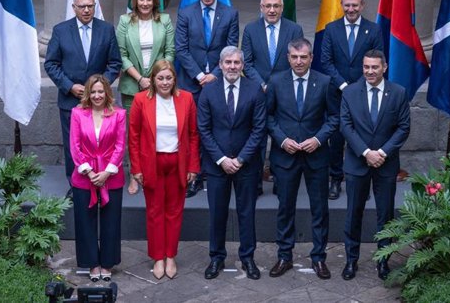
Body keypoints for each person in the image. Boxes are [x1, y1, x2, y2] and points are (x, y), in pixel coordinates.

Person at [265, 38, 339, 279]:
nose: (299, 61)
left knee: (319, 209)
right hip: (285, 156)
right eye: (295, 57)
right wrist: (281, 139)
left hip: (316, 156)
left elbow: (334, 118)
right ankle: (284, 256)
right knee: (285, 208)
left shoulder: (325, 81)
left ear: (310, 58)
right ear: (288, 58)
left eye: (303, 57)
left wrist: (318, 139)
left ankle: (319, 258)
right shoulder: (276, 82)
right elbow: (268, 117)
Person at [339, 49, 410, 281]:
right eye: (366, 67)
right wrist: (366, 152)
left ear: (384, 67)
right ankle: (351, 260)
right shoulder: (349, 92)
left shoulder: (398, 93)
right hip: (357, 163)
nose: (370, 71)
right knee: (353, 213)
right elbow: (346, 126)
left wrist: (381, 152)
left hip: (386, 164)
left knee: (385, 215)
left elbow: (403, 128)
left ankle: (383, 261)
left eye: (374, 67)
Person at [197, 46, 266, 280]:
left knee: (247, 212)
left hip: (246, 165)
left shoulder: (255, 89)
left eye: (237, 62)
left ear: (243, 65)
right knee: (217, 213)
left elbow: (259, 130)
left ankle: (247, 257)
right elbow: (203, 130)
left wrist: (241, 159)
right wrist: (223, 159)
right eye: (228, 62)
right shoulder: (208, 91)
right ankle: (216, 257)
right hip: (217, 165)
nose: (232, 67)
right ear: (221, 64)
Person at [129, 60, 200, 280]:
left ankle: (171, 255)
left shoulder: (186, 98)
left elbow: (193, 135)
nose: (165, 82)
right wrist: (136, 169)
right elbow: (134, 136)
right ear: (153, 79)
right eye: (160, 78)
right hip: (152, 163)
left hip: (178, 162)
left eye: (169, 78)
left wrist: (193, 167)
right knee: (154, 212)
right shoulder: (141, 100)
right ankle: (158, 257)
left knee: (174, 212)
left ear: (174, 79)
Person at [45, 0, 122, 189]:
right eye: (82, 6)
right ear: (74, 8)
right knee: (74, 147)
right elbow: (51, 64)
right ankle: (76, 186)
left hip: (99, 102)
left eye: (90, 6)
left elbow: (115, 63)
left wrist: (98, 88)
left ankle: (101, 182)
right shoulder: (60, 30)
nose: (87, 10)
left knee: (100, 143)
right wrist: (69, 86)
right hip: (71, 100)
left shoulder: (106, 30)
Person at [175, 0, 239, 198]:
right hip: (191, 85)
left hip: (219, 82)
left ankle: (215, 172)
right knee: (192, 131)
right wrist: (199, 76)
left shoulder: (230, 13)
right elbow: (181, 49)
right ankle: (194, 175)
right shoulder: (185, 13)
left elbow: (231, 47)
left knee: (216, 128)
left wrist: (214, 74)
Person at [320, 0, 383, 200]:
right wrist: (345, 86)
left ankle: (361, 184)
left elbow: (377, 60)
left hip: (365, 95)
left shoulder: (373, 30)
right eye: (347, 5)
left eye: (355, 5)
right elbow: (326, 62)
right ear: (341, 5)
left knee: (363, 138)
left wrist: (358, 88)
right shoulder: (331, 29)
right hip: (337, 95)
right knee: (337, 139)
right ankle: (335, 180)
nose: (351, 9)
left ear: (362, 6)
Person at [241, 0, 305, 195]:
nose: (272, 10)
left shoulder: (294, 29)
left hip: (284, 93)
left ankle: (281, 182)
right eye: (268, 6)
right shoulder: (251, 29)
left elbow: (296, 62)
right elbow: (247, 63)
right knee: (257, 138)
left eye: (276, 6)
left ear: (282, 8)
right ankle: (256, 184)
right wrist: (262, 84)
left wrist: (277, 85)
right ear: (261, 8)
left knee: (281, 137)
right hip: (258, 93)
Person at [116, 0, 175, 195]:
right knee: (134, 132)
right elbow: (121, 54)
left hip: (160, 87)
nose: (145, 3)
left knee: (155, 129)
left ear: (154, 1)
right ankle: (134, 174)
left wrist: (156, 78)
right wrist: (140, 78)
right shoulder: (125, 21)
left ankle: (154, 170)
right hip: (133, 86)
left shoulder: (165, 20)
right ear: (135, 1)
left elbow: (170, 52)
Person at [69, 74, 126, 282]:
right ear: (87, 93)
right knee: (85, 221)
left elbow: (120, 146)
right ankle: (92, 263)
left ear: (107, 92)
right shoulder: (77, 113)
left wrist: (106, 172)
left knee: (111, 221)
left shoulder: (119, 114)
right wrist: (91, 173)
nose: (97, 95)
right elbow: (74, 146)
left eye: (100, 91)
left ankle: (108, 262)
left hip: (111, 175)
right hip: (85, 176)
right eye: (93, 91)